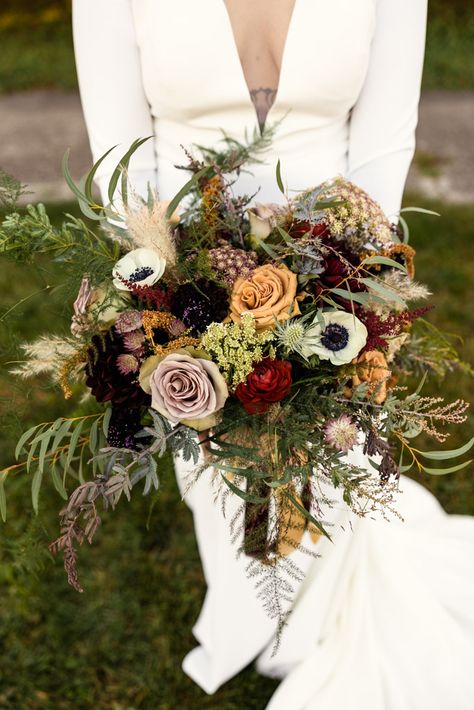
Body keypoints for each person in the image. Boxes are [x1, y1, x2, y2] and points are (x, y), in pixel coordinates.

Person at [72, 2, 474, 707]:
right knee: (219, 470)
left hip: (334, 267)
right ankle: (251, 613)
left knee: (334, 459)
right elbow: (118, 161)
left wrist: (355, 294)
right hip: (187, 283)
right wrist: (168, 297)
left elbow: (384, 145)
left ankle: (311, 617)